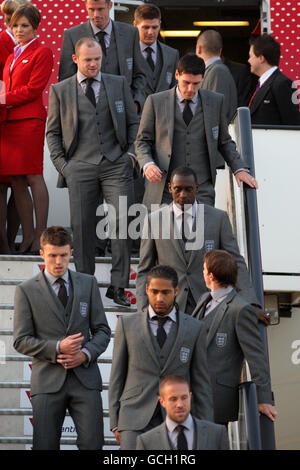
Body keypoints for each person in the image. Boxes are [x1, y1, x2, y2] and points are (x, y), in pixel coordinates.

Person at [46, 37, 139, 307]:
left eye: (97, 59)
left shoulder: (118, 83)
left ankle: (119, 286)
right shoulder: (60, 90)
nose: (94, 64)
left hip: (115, 164)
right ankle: (85, 287)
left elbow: (133, 123)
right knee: (84, 229)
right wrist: (64, 166)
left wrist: (131, 156)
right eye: (88, 60)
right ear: (75, 59)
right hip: (79, 166)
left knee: (123, 223)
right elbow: (52, 133)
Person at [13, 226, 111, 450]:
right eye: (52, 255)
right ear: (42, 254)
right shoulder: (25, 290)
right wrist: (58, 347)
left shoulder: (88, 283)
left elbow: (103, 331)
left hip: (85, 381)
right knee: (45, 446)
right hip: (47, 382)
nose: (58, 261)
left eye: (63, 255)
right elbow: (20, 340)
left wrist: (85, 354)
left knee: (93, 444)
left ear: (71, 253)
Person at [109, 265, 213, 450]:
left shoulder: (194, 328)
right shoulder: (127, 325)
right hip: (133, 417)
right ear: (146, 289)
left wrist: (205, 426)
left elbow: (201, 381)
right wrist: (115, 421)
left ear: (176, 291)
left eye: (165, 292)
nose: (159, 298)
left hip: (177, 418)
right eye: (154, 291)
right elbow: (117, 375)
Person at [135, 53, 258, 208]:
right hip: (165, 188)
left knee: (201, 232)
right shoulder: (155, 101)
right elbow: (142, 141)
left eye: (196, 83)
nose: (190, 89)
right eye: (186, 82)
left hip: (201, 188)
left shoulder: (215, 101)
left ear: (203, 78)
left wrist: (239, 169)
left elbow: (224, 142)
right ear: (176, 75)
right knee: (165, 233)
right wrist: (148, 164)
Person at [136, 166, 259, 315]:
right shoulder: (153, 221)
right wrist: (143, 310)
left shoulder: (218, 218)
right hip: (169, 309)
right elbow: (145, 270)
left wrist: (252, 302)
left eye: (188, 189)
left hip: (209, 307)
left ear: (197, 188)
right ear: (169, 188)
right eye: (178, 189)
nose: (183, 195)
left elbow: (235, 261)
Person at [192, 249, 277, 426]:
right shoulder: (203, 298)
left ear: (212, 276)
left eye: (204, 269)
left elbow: (256, 356)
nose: (202, 273)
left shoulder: (241, 309)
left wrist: (263, 398)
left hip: (217, 399)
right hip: (191, 395)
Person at [0, 3, 53, 254]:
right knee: (18, 180)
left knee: (33, 176)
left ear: (35, 28)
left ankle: (40, 234)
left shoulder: (43, 52)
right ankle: (28, 236)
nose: (19, 30)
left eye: (25, 26)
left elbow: (34, 89)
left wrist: (4, 99)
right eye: (16, 26)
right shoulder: (12, 56)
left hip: (30, 121)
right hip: (10, 123)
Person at [58, 0, 146, 112]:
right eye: (91, 9)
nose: (96, 15)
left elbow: (140, 74)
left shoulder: (130, 33)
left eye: (100, 9)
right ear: (86, 6)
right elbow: (66, 79)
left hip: (122, 109)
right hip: (86, 111)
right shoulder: (72, 35)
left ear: (110, 5)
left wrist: (136, 102)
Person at [136, 375, 229, 450]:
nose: (180, 404)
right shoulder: (146, 442)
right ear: (162, 401)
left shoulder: (217, 434)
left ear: (190, 396)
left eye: (184, 398)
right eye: (173, 399)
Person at [248, 33, 300, 125]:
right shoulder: (263, 83)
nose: (248, 60)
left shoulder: (282, 83)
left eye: (251, 56)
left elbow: (293, 123)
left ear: (261, 58)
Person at [133, 3, 179, 98]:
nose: (150, 32)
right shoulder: (127, 53)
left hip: (164, 111)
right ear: (135, 25)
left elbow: (176, 90)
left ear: (160, 25)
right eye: (146, 27)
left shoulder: (172, 54)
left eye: (154, 27)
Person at [196, 29, 238, 125]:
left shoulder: (218, 71)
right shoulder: (214, 70)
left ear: (199, 48)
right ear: (220, 50)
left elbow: (215, 113)